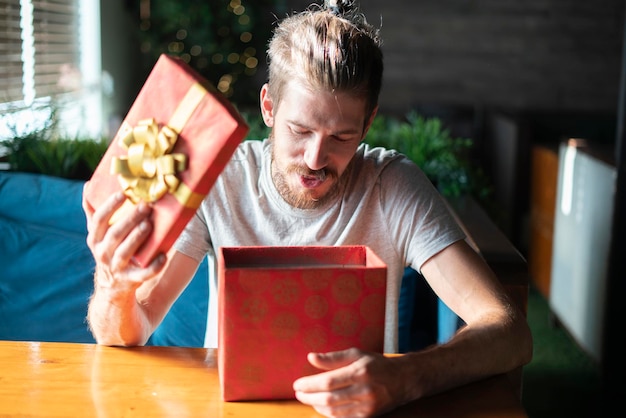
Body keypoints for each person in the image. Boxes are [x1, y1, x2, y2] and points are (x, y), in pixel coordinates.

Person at [83, 1, 532, 416]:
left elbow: (509, 331)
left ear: (368, 122)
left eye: (341, 137)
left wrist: (405, 376)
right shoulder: (222, 179)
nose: (316, 159)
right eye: (300, 130)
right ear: (269, 107)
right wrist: (115, 288)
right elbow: (129, 331)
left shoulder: (391, 185)